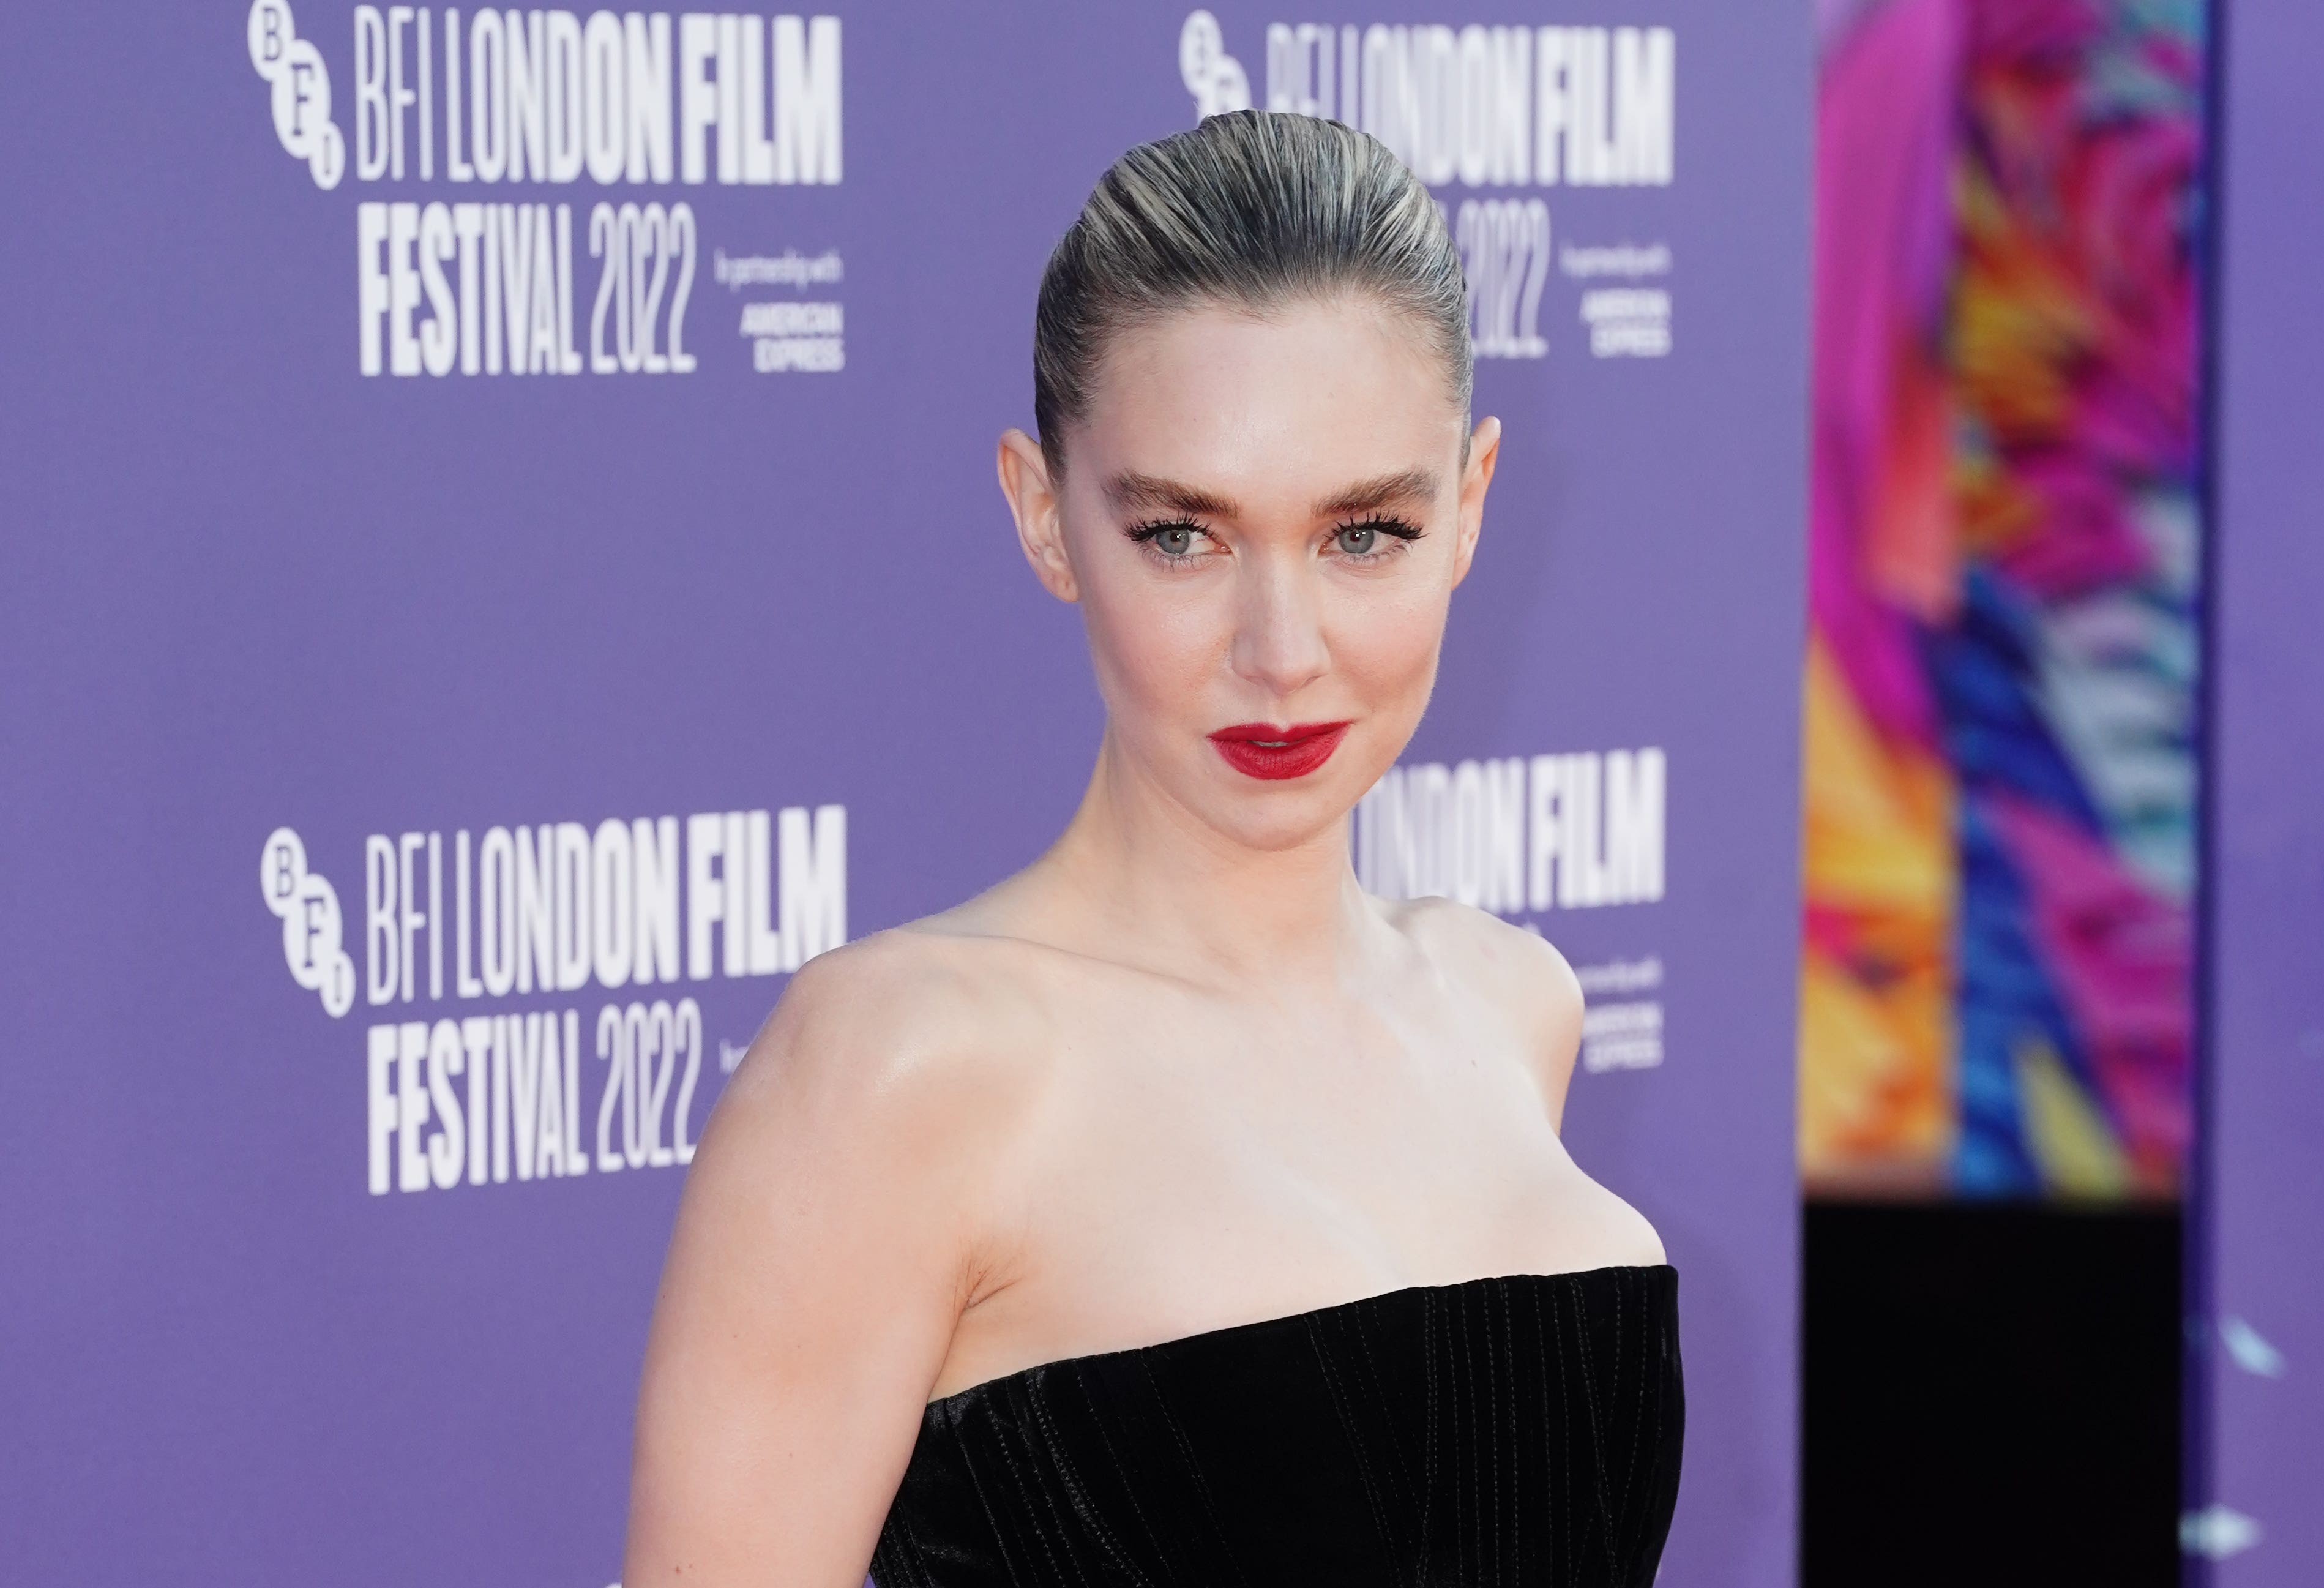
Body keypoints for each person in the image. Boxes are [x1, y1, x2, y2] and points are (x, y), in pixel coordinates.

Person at [622, 110, 1681, 1587]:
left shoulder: (1512, 1008)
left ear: (1469, 506)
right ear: (1044, 516)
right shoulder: (897, 1070)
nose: (1281, 651)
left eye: (1363, 531)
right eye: (1182, 534)